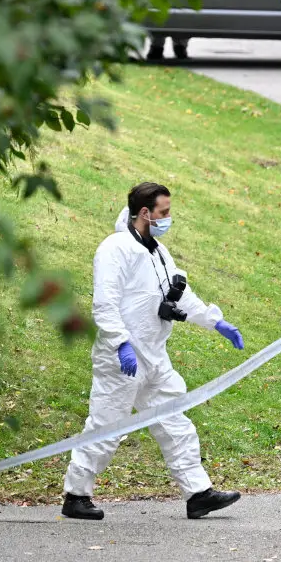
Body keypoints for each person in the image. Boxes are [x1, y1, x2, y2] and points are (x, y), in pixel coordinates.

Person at [62, 182, 246, 520]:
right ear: (145, 213)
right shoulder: (115, 249)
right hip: (122, 358)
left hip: (154, 355)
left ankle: (198, 493)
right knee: (106, 427)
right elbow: (105, 303)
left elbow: (178, 294)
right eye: (164, 212)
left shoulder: (157, 251)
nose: (168, 218)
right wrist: (120, 343)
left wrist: (214, 322)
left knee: (175, 421)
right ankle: (76, 495)